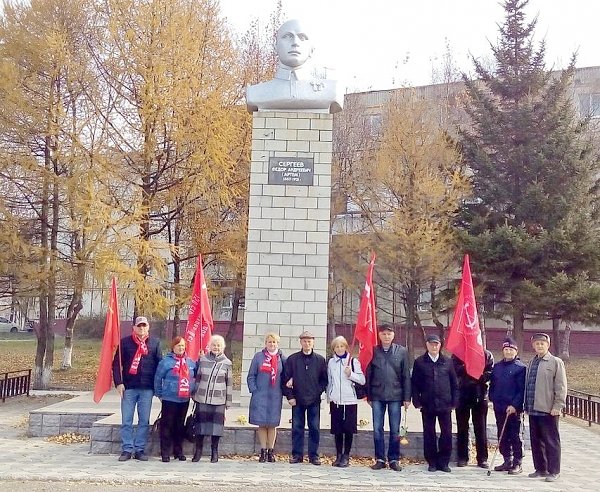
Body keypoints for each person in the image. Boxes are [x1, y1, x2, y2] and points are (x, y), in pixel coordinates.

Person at [246, 19, 343, 114]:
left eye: (302, 37)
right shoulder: (256, 93)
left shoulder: (331, 90)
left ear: (312, 50)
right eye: (287, 36)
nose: (295, 42)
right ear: (276, 47)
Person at [112, 316, 162, 461]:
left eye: (144, 326)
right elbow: (116, 364)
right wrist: (119, 382)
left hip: (147, 388)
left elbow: (160, 366)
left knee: (144, 421)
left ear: (148, 327)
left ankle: (139, 449)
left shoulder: (155, 343)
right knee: (127, 420)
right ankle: (127, 449)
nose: (141, 328)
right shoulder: (125, 343)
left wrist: (158, 388)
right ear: (133, 328)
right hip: (128, 388)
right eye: (138, 326)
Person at [365, 324, 411, 472]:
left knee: (395, 429)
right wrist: (369, 396)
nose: (386, 336)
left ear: (393, 335)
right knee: (378, 428)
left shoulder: (402, 351)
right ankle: (379, 459)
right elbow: (369, 374)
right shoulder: (373, 351)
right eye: (383, 334)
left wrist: (407, 397)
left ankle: (393, 459)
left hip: (396, 396)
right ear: (379, 335)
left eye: (389, 334)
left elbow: (406, 376)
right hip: (377, 395)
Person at [411, 334, 458, 473]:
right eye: (431, 344)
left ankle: (444, 462)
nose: (434, 346)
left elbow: (454, 384)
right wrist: (417, 401)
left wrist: (454, 401)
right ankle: (431, 461)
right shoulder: (419, 362)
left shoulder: (448, 362)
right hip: (427, 404)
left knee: (446, 433)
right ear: (427, 345)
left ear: (440, 345)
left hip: (445, 405)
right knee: (429, 433)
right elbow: (414, 384)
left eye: (436, 344)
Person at [524, 332, 567, 483]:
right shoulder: (531, 362)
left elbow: (561, 387)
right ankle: (540, 468)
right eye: (537, 343)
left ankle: (554, 470)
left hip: (549, 409)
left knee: (551, 441)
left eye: (542, 343)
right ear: (533, 345)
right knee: (536, 441)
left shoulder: (555, 362)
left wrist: (558, 405)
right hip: (533, 408)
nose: (539, 345)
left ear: (548, 345)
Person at [283, 331, 328, 465]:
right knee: (297, 427)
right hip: (297, 399)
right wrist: (290, 397)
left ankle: (314, 455)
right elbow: (285, 379)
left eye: (309, 341)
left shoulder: (320, 360)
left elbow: (324, 380)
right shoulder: (292, 359)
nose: (307, 343)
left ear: (313, 342)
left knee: (314, 427)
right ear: (300, 342)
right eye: (304, 341)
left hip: (314, 400)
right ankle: (297, 455)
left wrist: (317, 392)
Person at [191, 334, 233, 463]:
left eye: (218, 345)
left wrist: (228, 401)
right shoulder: (203, 360)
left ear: (223, 347)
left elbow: (229, 383)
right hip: (202, 398)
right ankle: (198, 451)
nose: (216, 347)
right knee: (200, 427)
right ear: (210, 346)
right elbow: (198, 378)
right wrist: (194, 394)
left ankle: (214, 452)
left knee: (216, 428)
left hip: (218, 399)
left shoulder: (227, 363)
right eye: (214, 345)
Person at [153, 336, 196, 462]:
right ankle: (165, 453)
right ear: (173, 347)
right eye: (178, 346)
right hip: (169, 399)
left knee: (179, 425)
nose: (181, 348)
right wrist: (159, 394)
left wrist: (192, 391)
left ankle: (178, 451)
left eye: (183, 345)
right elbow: (157, 379)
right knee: (167, 425)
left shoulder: (190, 362)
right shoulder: (166, 362)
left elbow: (195, 377)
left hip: (184, 399)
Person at [247, 332, 287, 463]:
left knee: (272, 424)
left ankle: (271, 451)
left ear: (277, 344)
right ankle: (263, 451)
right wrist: (254, 390)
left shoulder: (282, 358)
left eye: (274, 342)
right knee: (262, 424)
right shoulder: (258, 357)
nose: (272, 344)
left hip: (275, 395)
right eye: (269, 342)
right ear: (265, 344)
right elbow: (251, 375)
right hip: (261, 394)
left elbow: (287, 375)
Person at [489, 336, 526, 475]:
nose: (508, 352)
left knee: (515, 435)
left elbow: (521, 389)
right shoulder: (497, 367)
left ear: (515, 351)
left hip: (513, 409)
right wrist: (492, 398)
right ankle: (507, 460)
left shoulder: (521, 368)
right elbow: (493, 385)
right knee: (502, 435)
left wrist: (515, 405)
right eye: (506, 349)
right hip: (499, 407)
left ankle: (517, 462)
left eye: (511, 349)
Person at [326, 336, 365, 468]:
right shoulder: (331, 362)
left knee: (348, 430)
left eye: (342, 346)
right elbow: (330, 380)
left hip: (350, 401)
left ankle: (346, 456)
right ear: (334, 349)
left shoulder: (353, 361)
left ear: (346, 347)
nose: (339, 348)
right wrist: (329, 396)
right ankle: (338, 455)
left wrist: (351, 374)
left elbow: (362, 380)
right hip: (336, 400)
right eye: (337, 346)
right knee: (337, 430)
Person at [452, 348, 494, 468]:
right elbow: (454, 371)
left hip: (479, 395)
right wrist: (467, 366)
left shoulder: (486, 354)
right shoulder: (458, 353)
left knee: (480, 428)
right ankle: (462, 457)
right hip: (462, 394)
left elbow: (490, 373)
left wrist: (477, 372)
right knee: (462, 427)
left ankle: (482, 458)